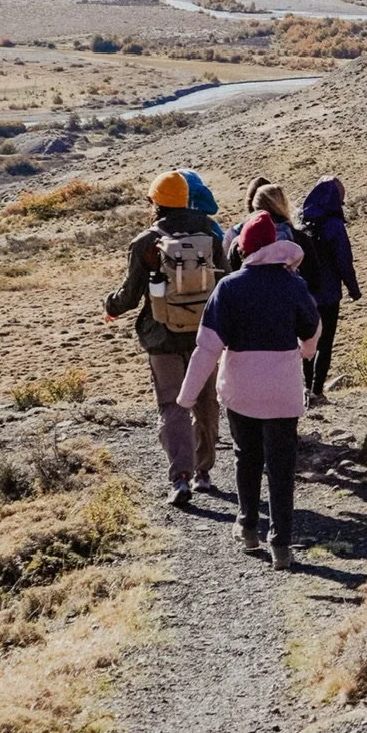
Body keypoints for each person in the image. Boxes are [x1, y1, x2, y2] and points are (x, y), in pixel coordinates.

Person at [179, 211, 320, 568]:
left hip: (241, 391)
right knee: (281, 466)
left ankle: (247, 527)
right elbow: (312, 330)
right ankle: (282, 545)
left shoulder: (229, 287)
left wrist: (187, 396)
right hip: (283, 392)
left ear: (245, 249)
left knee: (247, 457)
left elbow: (207, 348)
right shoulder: (294, 284)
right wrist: (306, 352)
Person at [104, 170, 226, 507]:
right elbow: (226, 282)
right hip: (205, 333)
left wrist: (110, 305)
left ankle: (180, 479)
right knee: (205, 402)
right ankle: (204, 473)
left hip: (162, 335)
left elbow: (130, 295)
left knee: (173, 404)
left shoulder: (147, 242)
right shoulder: (210, 235)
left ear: (155, 201)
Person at [297, 177, 360, 406]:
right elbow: (344, 260)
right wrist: (354, 289)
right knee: (326, 342)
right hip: (330, 293)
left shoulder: (301, 222)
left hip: (305, 293)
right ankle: (317, 389)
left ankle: (304, 386)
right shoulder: (334, 226)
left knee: (306, 339)